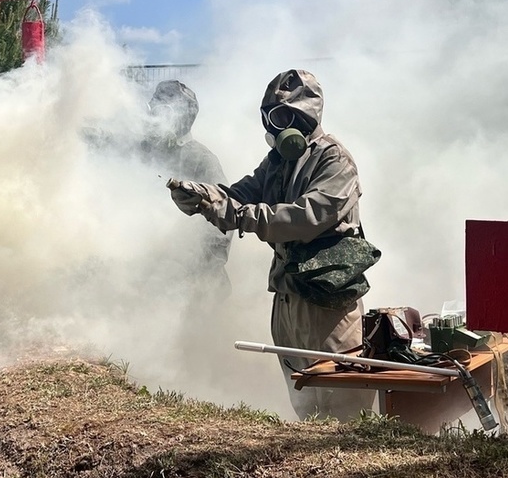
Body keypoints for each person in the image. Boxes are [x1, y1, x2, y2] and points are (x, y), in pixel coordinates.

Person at [168, 69, 376, 421]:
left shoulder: (335, 160)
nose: (274, 127)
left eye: (280, 116)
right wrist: (204, 197)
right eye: (268, 117)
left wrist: (237, 213)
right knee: (304, 406)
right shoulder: (279, 162)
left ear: (305, 113)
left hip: (326, 304)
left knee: (340, 407)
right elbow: (239, 194)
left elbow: (303, 218)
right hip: (288, 296)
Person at [143, 80, 232, 298]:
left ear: (183, 118)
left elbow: (223, 220)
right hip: (149, 277)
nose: (154, 116)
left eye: (162, 110)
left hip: (193, 284)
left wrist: (197, 271)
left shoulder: (202, 160)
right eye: (152, 108)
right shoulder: (143, 151)